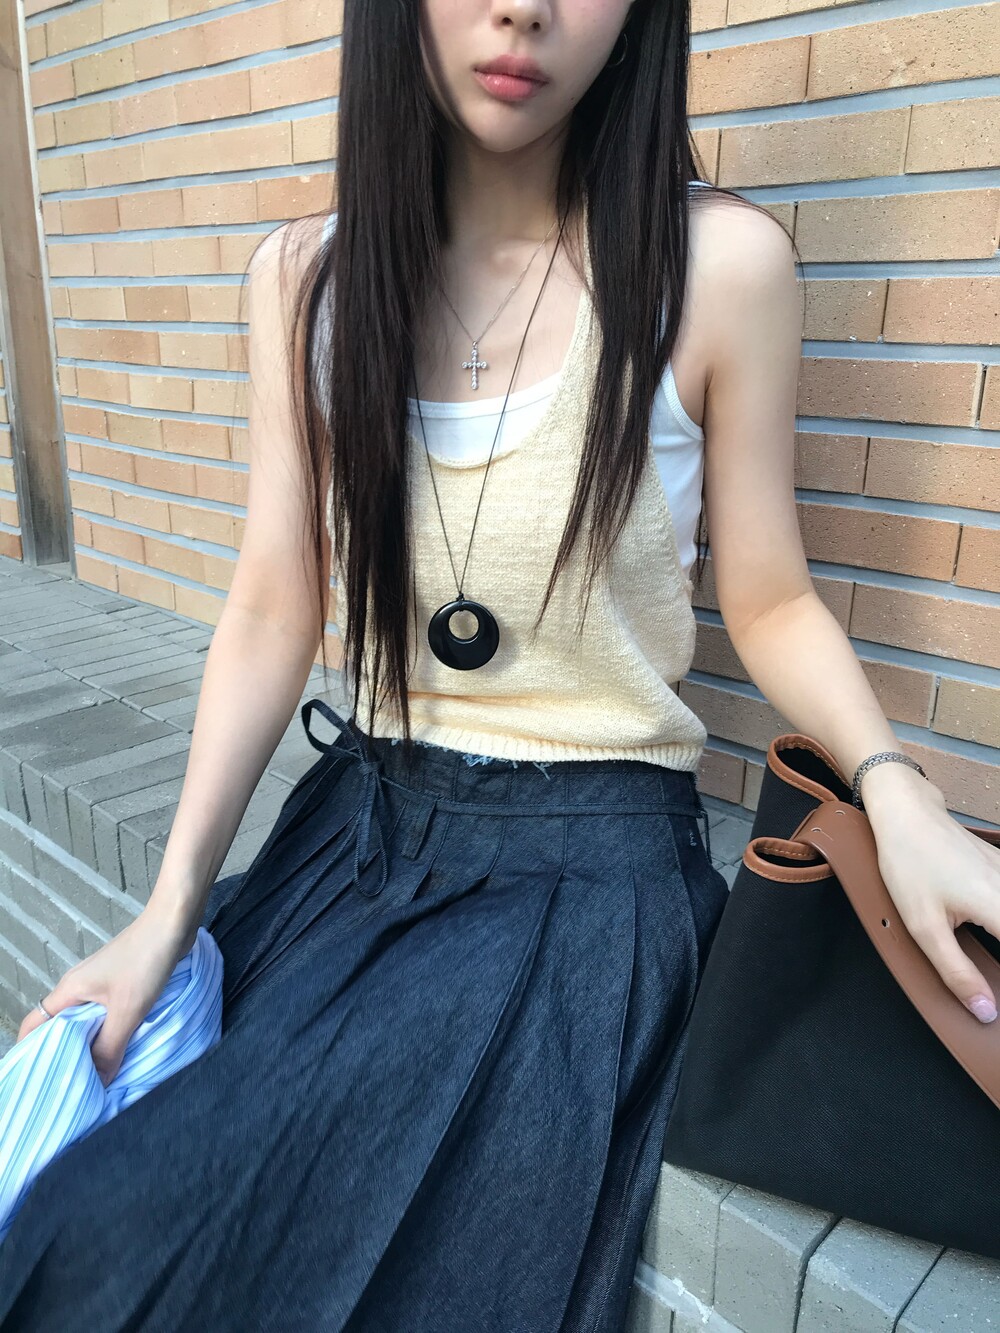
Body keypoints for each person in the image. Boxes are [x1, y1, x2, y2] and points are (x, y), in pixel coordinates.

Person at [3, 1, 998, 1329]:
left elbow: (770, 598)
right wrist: (167, 912)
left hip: (585, 881)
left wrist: (893, 788)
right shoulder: (307, 281)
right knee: (98, 1229)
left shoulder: (715, 269)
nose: (522, 7)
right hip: (356, 839)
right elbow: (273, 601)